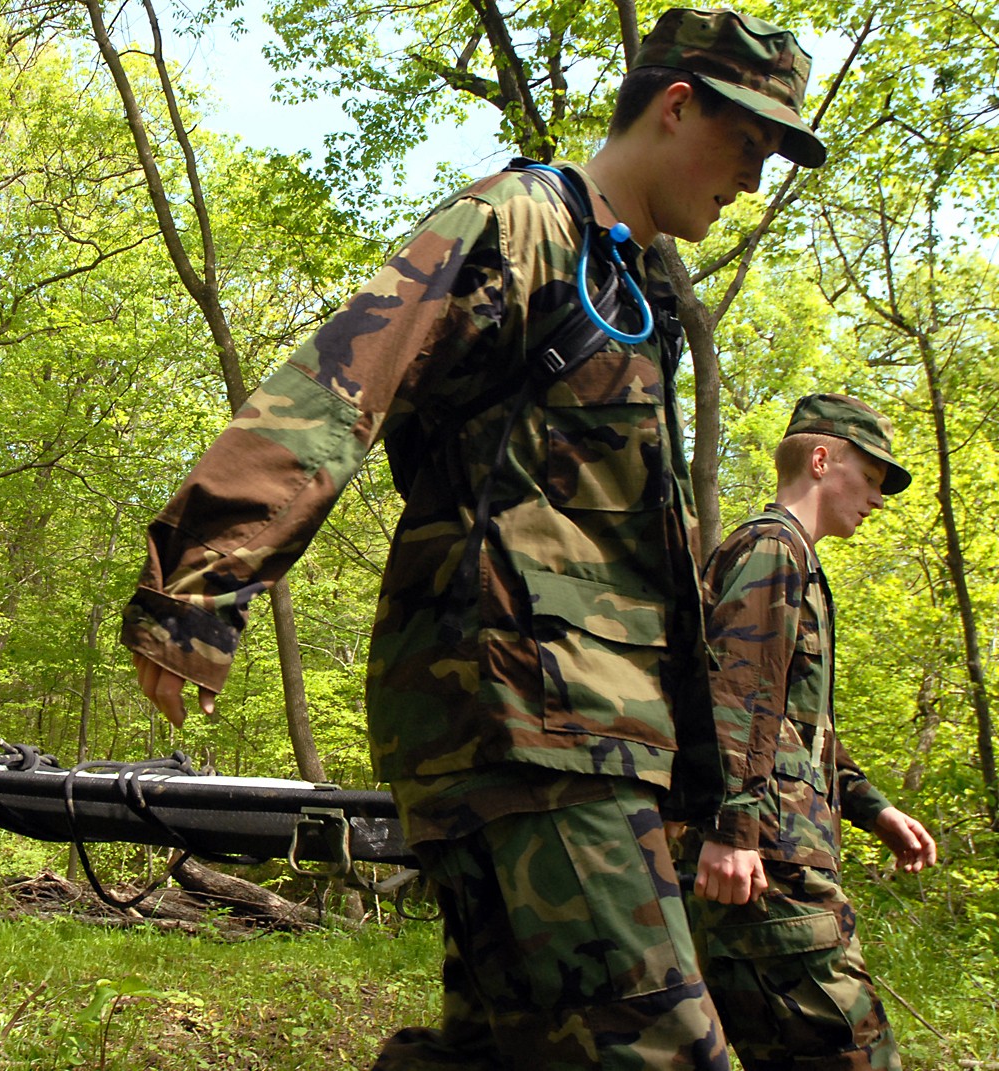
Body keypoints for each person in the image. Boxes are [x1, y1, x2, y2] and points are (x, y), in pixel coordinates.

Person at [121, 8, 827, 1069]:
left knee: (507, 1048)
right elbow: (343, 380)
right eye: (748, 145)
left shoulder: (628, 280)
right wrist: (199, 581)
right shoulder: (521, 222)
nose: (751, 180)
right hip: (530, 717)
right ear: (678, 108)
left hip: (588, 727)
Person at [683, 393, 937, 1071]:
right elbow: (737, 690)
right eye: (874, 478)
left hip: (779, 860)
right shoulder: (772, 546)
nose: (879, 499)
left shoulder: (792, 558)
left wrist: (873, 806)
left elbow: (796, 728)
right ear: (822, 460)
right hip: (769, 869)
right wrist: (730, 830)